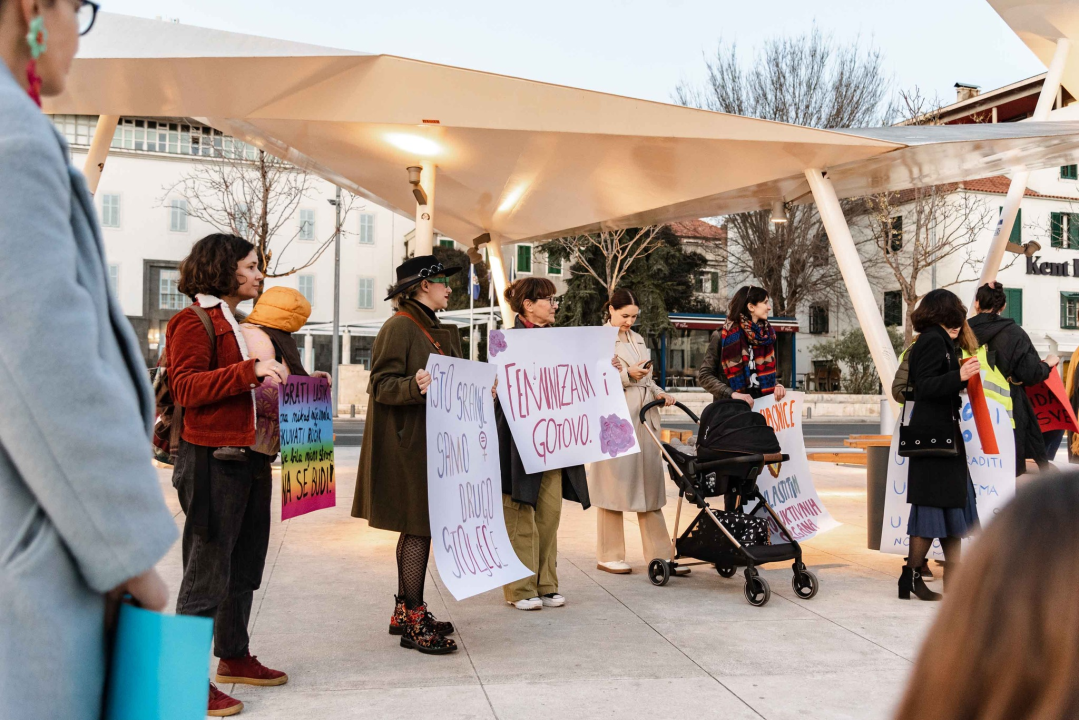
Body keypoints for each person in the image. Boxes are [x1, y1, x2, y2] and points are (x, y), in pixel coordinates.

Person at [0, 3, 179, 719]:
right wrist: (132, 557)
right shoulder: (12, 136)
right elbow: (44, 364)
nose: (79, 31)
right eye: (79, 8)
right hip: (32, 565)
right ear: (32, 9)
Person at [168, 234, 291, 716]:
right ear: (224, 268)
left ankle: (234, 656)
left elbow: (254, 391)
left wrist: (302, 386)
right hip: (212, 460)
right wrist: (249, 371)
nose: (260, 274)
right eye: (252, 265)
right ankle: (183, 682)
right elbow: (186, 387)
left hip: (251, 457)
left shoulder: (237, 324)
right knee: (206, 571)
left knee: (243, 565)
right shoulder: (193, 321)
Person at [893, 471, 1079, 720]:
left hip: (947, 465)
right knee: (936, 514)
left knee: (951, 516)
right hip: (936, 462)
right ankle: (916, 576)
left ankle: (936, 576)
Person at [352, 255, 462, 654]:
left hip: (429, 441)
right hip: (409, 444)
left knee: (419, 525)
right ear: (423, 285)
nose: (449, 288)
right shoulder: (400, 325)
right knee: (418, 525)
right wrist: (413, 387)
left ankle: (404, 612)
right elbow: (380, 383)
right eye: (443, 281)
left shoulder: (429, 325)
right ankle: (413, 618)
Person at [496, 277, 591, 610]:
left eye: (554, 299)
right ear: (528, 305)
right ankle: (520, 588)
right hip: (518, 441)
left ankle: (546, 583)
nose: (555, 305)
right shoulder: (505, 342)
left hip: (554, 441)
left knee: (549, 515)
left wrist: (602, 371)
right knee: (520, 513)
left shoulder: (561, 341)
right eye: (548, 300)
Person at [587, 288, 678, 575]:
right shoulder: (598, 340)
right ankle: (609, 554)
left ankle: (661, 554)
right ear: (611, 310)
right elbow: (593, 381)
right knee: (613, 484)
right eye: (625, 315)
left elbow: (647, 379)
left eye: (634, 316)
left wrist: (660, 392)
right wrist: (627, 376)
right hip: (616, 418)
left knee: (649, 484)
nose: (629, 321)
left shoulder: (637, 339)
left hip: (645, 416)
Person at [898, 289, 981, 602]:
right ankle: (912, 575)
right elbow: (925, 386)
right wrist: (959, 375)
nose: (957, 322)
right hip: (934, 437)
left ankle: (948, 580)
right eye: (951, 315)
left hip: (940, 434)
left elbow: (935, 384)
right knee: (933, 505)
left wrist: (960, 379)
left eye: (958, 317)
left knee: (950, 505)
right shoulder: (933, 340)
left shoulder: (938, 340)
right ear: (939, 315)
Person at [968, 282, 1058, 475]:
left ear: (976, 303)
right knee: (1006, 469)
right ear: (1003, 306)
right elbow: (1031, 373)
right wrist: (1048, 364)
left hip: (967, 406)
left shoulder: (962, 331)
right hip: (1007, 409)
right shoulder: (1014, 332)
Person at [240, 286, 331, 456]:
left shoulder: (241, 330)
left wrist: (310, 379)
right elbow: (283, 379)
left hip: (251, 432)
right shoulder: (279, 339)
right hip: (261, 436)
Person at [698, 285, 787, 406]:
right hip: (731, 409)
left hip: (762, 409)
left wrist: (777, 385)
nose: (769, 307)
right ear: (751, 307)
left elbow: (760, 374)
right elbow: (704, 375)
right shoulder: (722, 337)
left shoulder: (765, 337)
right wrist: (732, 394)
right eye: (765, 302)